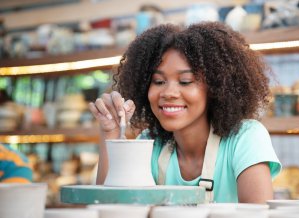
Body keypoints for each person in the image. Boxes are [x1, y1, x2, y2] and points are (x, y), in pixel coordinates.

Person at [89, 21, 281, 203]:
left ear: (216, 87)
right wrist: (110, 131)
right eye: (158, 81)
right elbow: (111, 207)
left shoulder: (245, 138)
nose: (169, 93)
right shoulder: (150, 146)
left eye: (185, 81)